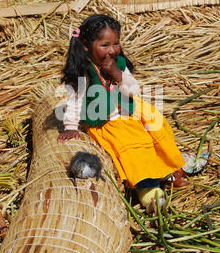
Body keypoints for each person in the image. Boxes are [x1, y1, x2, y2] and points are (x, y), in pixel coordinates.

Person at [57, 14, 189, 213]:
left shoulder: (119, 63)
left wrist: (117, 74)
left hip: (129, 108)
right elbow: (75, 101)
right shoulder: (84, 71)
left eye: (116, 43)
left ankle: (168, 170)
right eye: (104, 45)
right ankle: (149, 189)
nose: (112, 50)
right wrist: (70, 126)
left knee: (158, 126)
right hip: (105, 120)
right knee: (132, 145)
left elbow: (132, 89)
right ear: (86, 45)